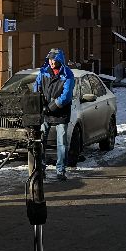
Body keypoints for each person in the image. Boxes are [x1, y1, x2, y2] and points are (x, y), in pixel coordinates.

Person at [34, 48, 75, 180]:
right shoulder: (43, 72)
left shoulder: (67, 74)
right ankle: (40, 168)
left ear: (60, 60)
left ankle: (60, 171)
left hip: (61, 113)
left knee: (61, 143)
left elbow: (66, 96)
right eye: (50, 59)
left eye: (54, 60)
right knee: (40, 141)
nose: (52, 62)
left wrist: (52, 106)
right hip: (45, 112)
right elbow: (37, 88)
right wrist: (40, 103)